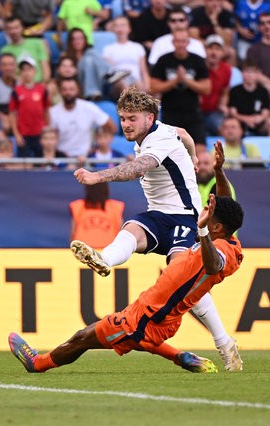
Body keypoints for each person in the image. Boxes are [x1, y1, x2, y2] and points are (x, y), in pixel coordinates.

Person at [70, 87, 243, 371]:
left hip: (185, 220)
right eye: (123, 118)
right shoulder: (163, 131)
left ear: (149, 118)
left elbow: (138, 169)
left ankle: (224, 343)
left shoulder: (160, 139)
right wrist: (193, 157)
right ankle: (104, 259)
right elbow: (186, 133)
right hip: (159, 215)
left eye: (131, 118)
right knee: (132, 229)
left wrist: (95, 176)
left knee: (185, 286)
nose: (125, 124)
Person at [10, 193, 245, 374]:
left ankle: (37, 364)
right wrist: (219, 171)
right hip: (153, 313)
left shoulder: (221, 249)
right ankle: (182, 358)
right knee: (132, 336)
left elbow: (214, 265)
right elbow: (225, 215)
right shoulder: (229, 238)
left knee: (82, 339)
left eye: (208, 216)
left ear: (215, 228)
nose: (202, 215)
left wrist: (202, 230)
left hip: (150, 316)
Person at [150, 28, 211, 148]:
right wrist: (176, 80)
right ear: (173, 42)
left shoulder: (197, 61)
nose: (180, 44)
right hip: (170, 114)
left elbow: (207, 88)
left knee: (200, 150)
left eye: (183, 41)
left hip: (193, 112)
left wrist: (186, 80)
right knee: (171, 152)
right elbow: (154, 87)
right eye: (177, 41)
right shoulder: (164, 60)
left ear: (188, 42)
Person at [49, 77, 117, 162]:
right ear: (60, 91)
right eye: (65, 89)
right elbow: (50, 137)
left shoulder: (88, 107)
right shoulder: (53, 112)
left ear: (77, 90)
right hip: (61, 158)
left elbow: (112, 127)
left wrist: (97, 146)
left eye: (71, 89)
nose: (68, 92)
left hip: (86, 158)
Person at [8, 56, 49, 157]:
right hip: (23, 134)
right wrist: (16, 134)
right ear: (20, 72)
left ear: (35, 71)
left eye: (29, 69)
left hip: (39, 133)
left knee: (41, 161)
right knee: (24, 163)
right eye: (24, 70)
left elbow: (46, 110)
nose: (27, 72)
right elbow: (12, 113)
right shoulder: (16, 91)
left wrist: (46, 128)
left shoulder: (42, 89)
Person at [228, 58, 270, 137]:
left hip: (258, 123)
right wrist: (247, 119)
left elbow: (266, 111)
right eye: (246, 71)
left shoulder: (263, 91)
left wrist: (261, 118)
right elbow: (233, 112)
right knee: (231, 123)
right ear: (242, 73)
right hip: (240, 122)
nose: (249, 75)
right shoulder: (235, 90)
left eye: (252, 72)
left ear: (258, 74)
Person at [102, 16, 150, 94]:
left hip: (135, 80)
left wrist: (147, 87)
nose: (120, 29)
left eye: (123, 25)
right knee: (123, 85)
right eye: (117, 26)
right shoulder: (108, 49)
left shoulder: (137, 47)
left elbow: (144, 70)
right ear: (113, 29)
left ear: (129, 29)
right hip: (118, 82)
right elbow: (110, 70)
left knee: (139, 84)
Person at [69, 182, 124, 249]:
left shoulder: (79, 206)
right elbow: (122, 234)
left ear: (87, 190)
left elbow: (72, 234)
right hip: (108, 251)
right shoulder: (115, 207)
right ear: (106, 190)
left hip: (83, 251)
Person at [0, 16, 50, 83]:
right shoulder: (4, 50)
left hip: (39, 84)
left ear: (22, 28)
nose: (14, 31)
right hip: (18, 86)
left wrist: (41, 87)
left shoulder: (37, 43)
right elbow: (8, 74)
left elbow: (46, 69)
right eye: (10, 29)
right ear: (6, 32)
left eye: (16, 28)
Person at [201, 34, 231, 137]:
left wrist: (223, 105)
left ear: (223, 52)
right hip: (196, 110)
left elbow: (225, 91)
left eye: (217, 49)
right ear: (205, 50)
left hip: (214, 111)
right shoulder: (198, 65)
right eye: (210, 48)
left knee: (224, 128)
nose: (213, 52)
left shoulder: (226, 69)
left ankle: (222, 152)